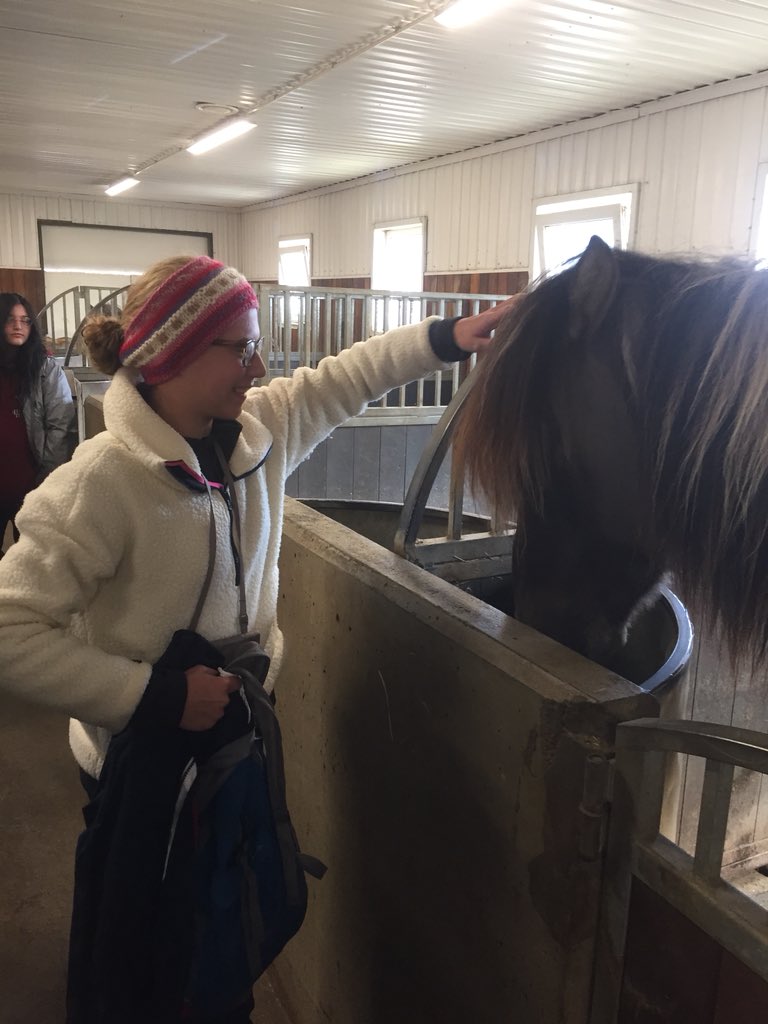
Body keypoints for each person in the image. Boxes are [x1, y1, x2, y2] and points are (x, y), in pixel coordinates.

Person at [0, 255, 515, 1022]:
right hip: (141, 766)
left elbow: (343, 379)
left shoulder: (258, 432)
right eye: (239, 347)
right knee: (145, 969)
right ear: (171, 354)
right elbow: (11, 627)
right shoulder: (99, 481)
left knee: (222, 945)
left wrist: (447, 336)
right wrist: (153, 696)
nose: (260, 363)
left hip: (236, 746)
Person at [0, 291, 75, 549]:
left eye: (25, 320)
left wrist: (46, 479)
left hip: (31, 485)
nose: (18, 326)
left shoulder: (46, 369)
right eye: (10, 319)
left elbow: (61, 426)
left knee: (34, 558)